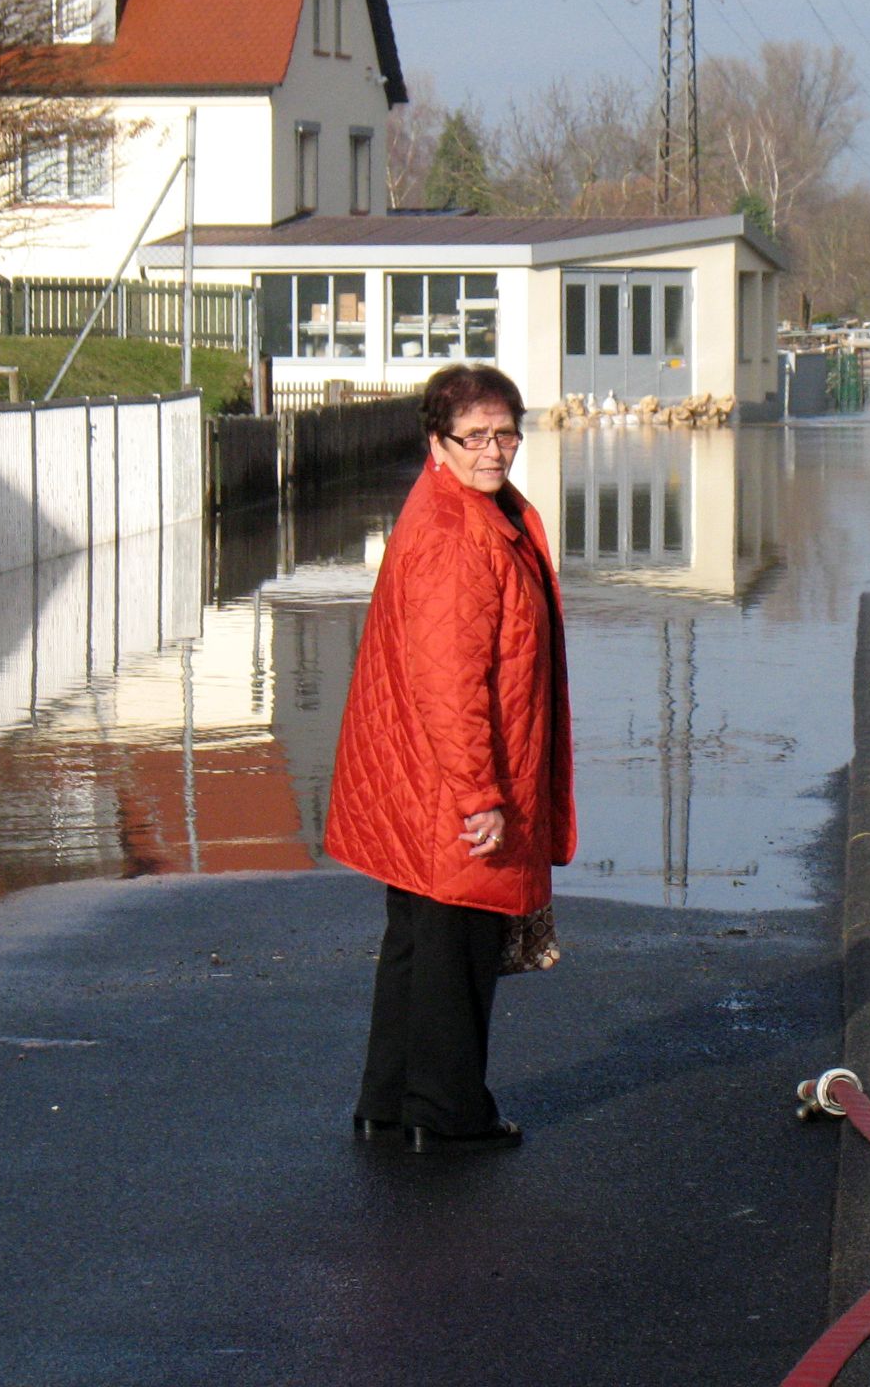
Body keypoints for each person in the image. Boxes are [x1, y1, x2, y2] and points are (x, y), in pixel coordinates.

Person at [326, 363, 576, 1152]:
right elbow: (451, 684)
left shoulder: (457, 511)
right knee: (455, 947)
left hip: (418, 775)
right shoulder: (458, 535)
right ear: (439, 442)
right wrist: (481, 795)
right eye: (475, 436)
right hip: (452, 782)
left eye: (505, 432)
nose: (494, 450)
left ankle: (390, 1102)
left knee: (417, 939)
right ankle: (446, 1108)